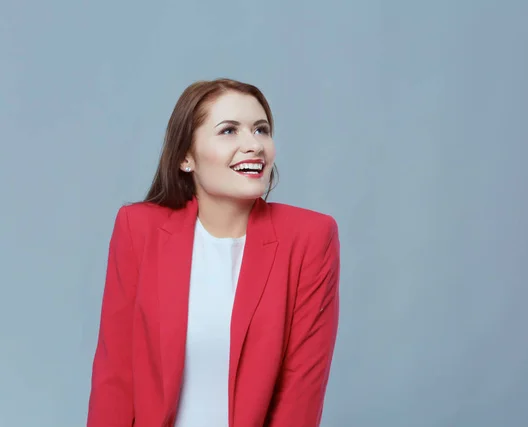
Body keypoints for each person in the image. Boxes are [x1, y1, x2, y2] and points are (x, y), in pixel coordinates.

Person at [86, 78, 341, 427]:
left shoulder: (311, 238)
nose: (253, 145)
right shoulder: (138, 229)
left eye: (261, 130)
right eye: (229, 131)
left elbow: (301, 390)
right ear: (186, 157)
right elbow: (114, 374)